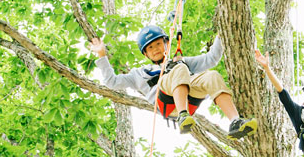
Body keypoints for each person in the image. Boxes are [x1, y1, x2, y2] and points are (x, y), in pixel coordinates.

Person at [90, 26, 257, 138]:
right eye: (150, 48)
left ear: (166, 44)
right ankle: (182, 116)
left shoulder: (180, 61)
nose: (155, 49)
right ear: (145, 54)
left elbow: (211, 59)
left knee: (211, 75)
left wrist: (222, 34)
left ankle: (235, 121)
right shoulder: (139, 74)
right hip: (166, 103)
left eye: (158, 44)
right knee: (178, 67)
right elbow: (111, 82)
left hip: (189, 99)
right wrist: (101, 56)